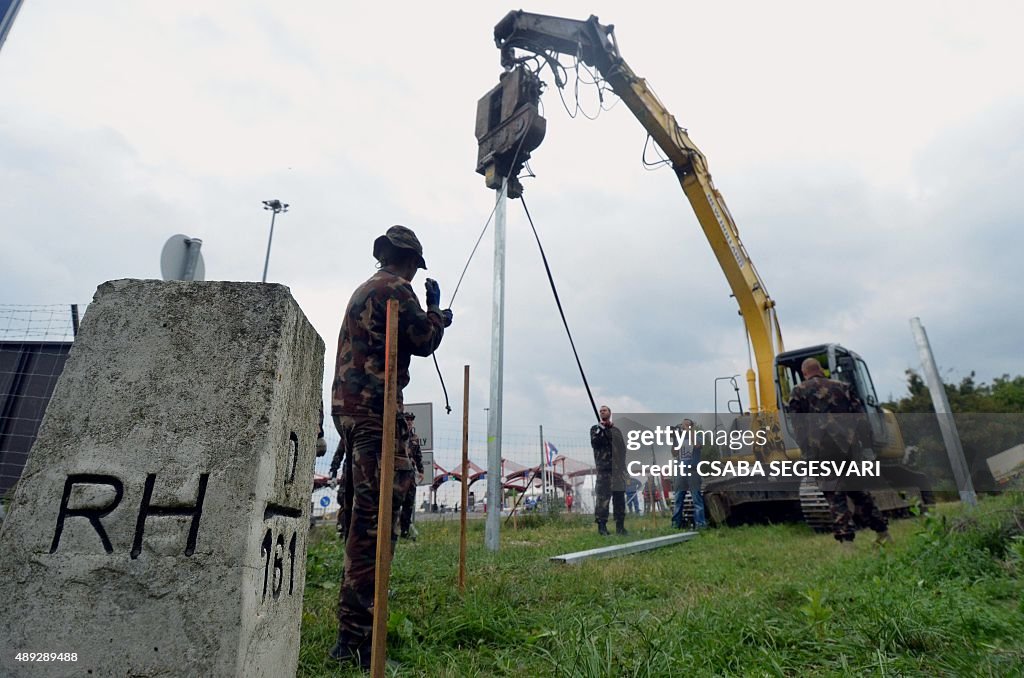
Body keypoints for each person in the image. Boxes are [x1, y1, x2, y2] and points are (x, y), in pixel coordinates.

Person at [328, 225, 452, 669]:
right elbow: (423, 340)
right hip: (375, 411)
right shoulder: (397, 289)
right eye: (416, 270)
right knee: (375, 525)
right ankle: (357, 642)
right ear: (409, 262)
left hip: (350, 410)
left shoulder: (366, 289)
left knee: (361, 514)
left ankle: (354, 632)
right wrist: (437, 313)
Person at [787, 357, 891, 547]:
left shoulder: (798, 392)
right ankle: (883, 532)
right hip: (848, 450)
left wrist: (807, 452)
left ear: (804, 373)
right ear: (820, 369)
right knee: (860, 494)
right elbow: (860, 418)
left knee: (835, 497)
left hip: (822, 453)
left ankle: (847, 544)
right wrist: (865, 447)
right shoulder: (843, 387)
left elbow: (797, 426)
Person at [590, 405, 628, 535]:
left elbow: (623, 449)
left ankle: (620, 526)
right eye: (600, 411)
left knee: (619, 499)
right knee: (603, 498)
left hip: (617, 471)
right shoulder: (595, 429)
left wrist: (624, 468)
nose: (602, 412)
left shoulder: (616, 431)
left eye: (604, 410)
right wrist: (602, 428)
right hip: (604, 470)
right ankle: (602, 527)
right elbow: (595, 443)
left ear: (610, 413)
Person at [671, 419, 707, 529]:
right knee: (678, 498)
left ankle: (700, 524)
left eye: (686, 424)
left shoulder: (697, 436)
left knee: (696, 498)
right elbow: (674, 453)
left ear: (691, 426)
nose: (683, 426)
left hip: (693, 470)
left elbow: (697, 445)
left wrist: (689, 431)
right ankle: (676, 524)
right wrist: (673, 439)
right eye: (683, 424)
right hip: (681, 471)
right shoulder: (679, 438)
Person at [399, 412, 424, 541]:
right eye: (407, 419)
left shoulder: (414, 438)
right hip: (398, 474)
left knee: (409, 503)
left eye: (411, 420)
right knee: (396, 502)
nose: (409, 422)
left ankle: (404, 530)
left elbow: (418, 456)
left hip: (410, 474)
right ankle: (392, 530)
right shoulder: (397, 435)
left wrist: (421, 470)